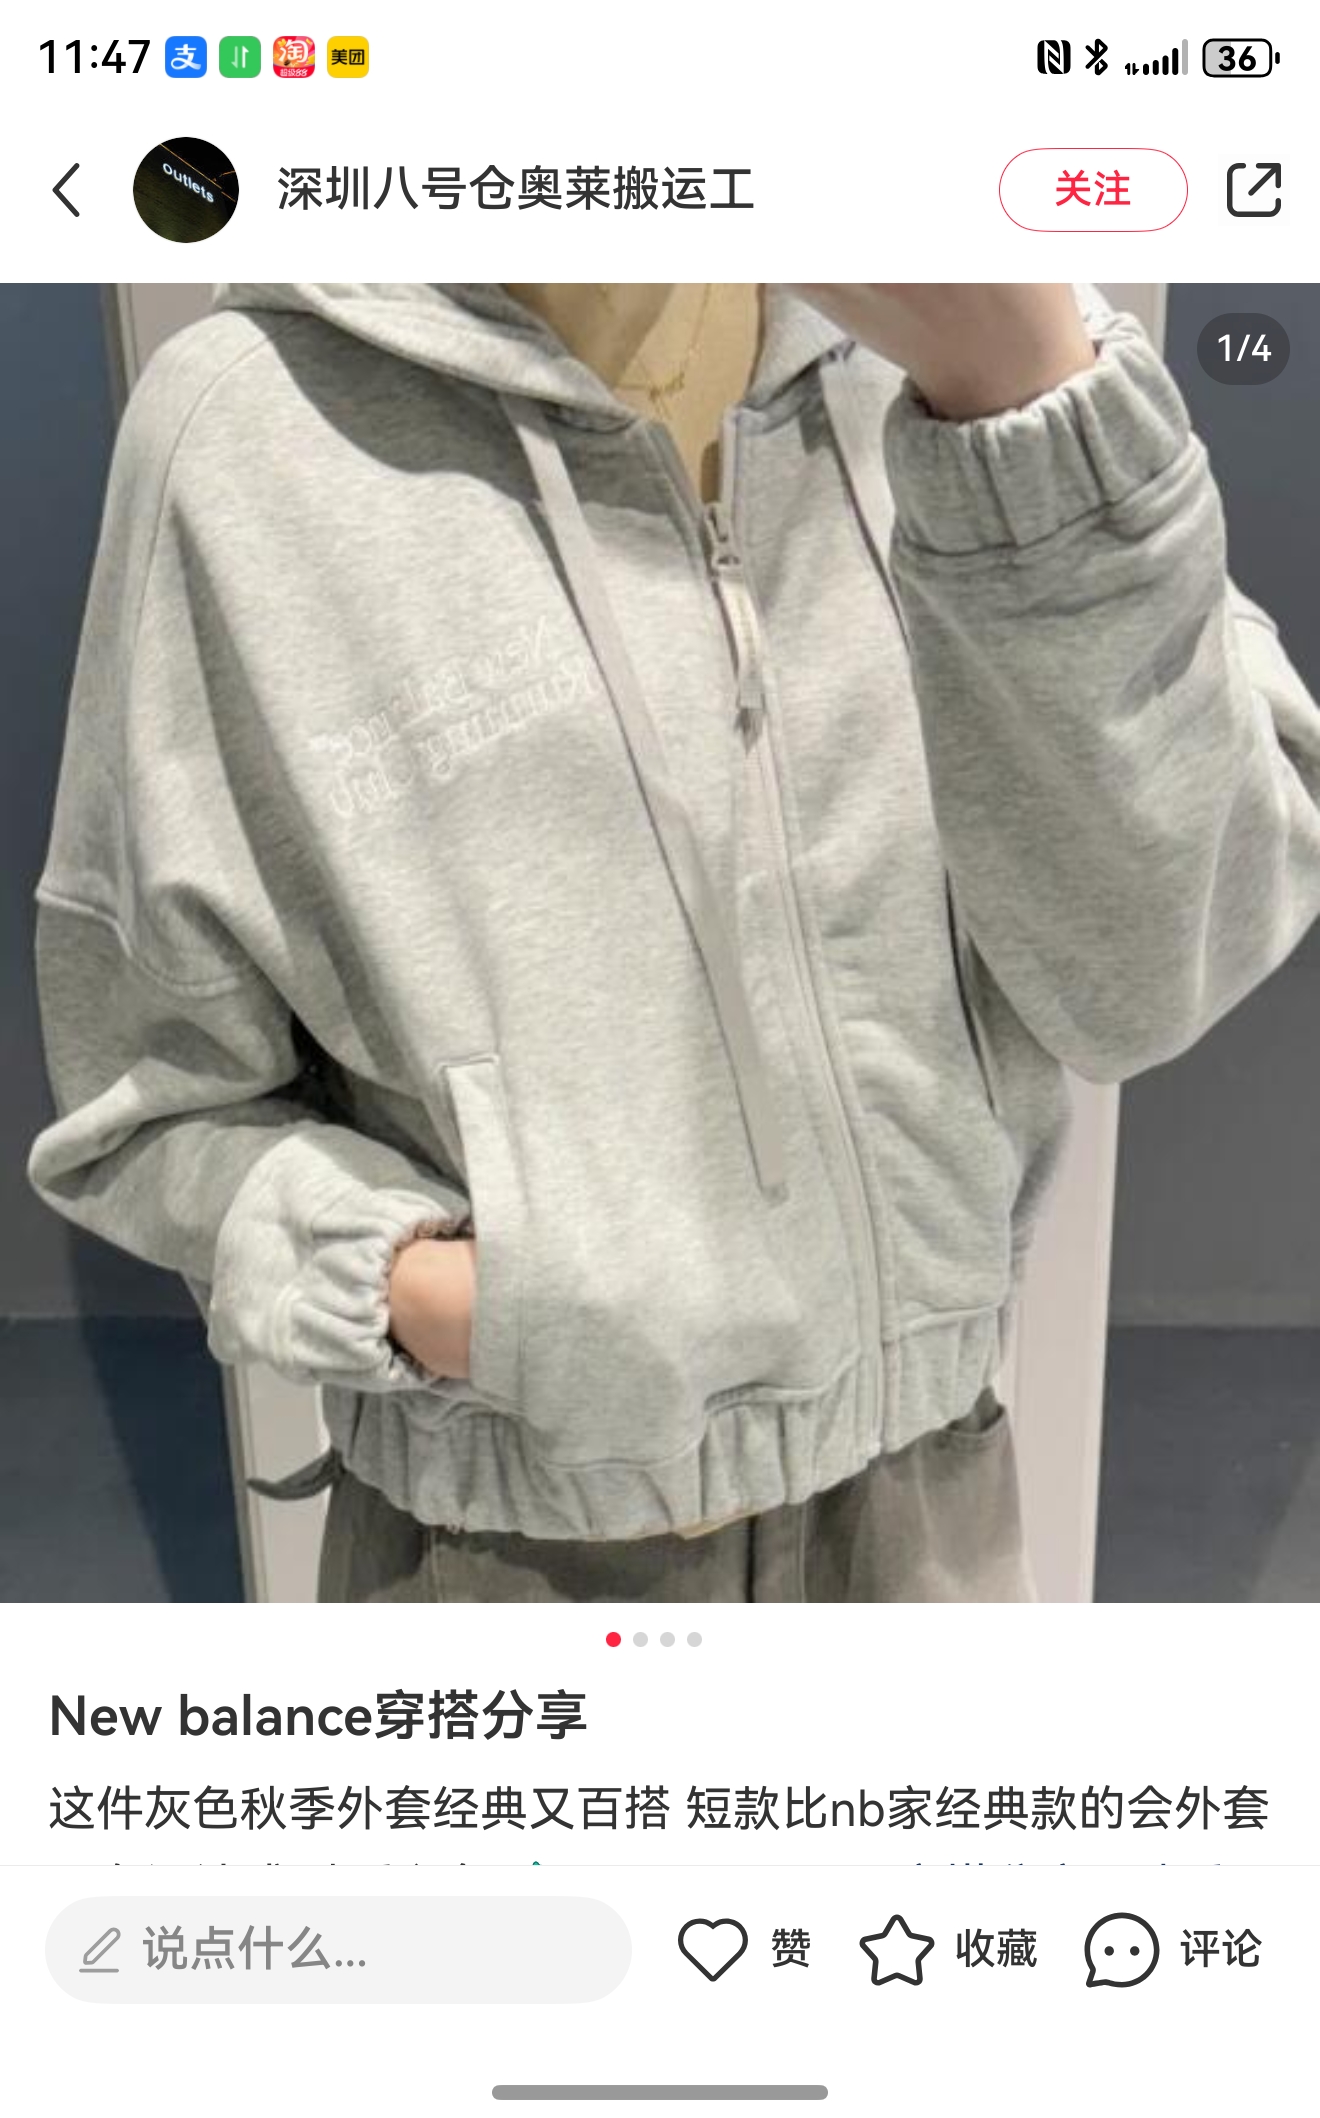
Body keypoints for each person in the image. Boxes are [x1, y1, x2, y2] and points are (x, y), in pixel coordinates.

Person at [27, 282, 1320, 1603]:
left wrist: (1022, 403)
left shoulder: (1019, 348)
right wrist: (440, 1297)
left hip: (938, 1509)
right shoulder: (246, 426)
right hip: (508, 1557)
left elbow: (1149, 978)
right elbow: (153, 1099)